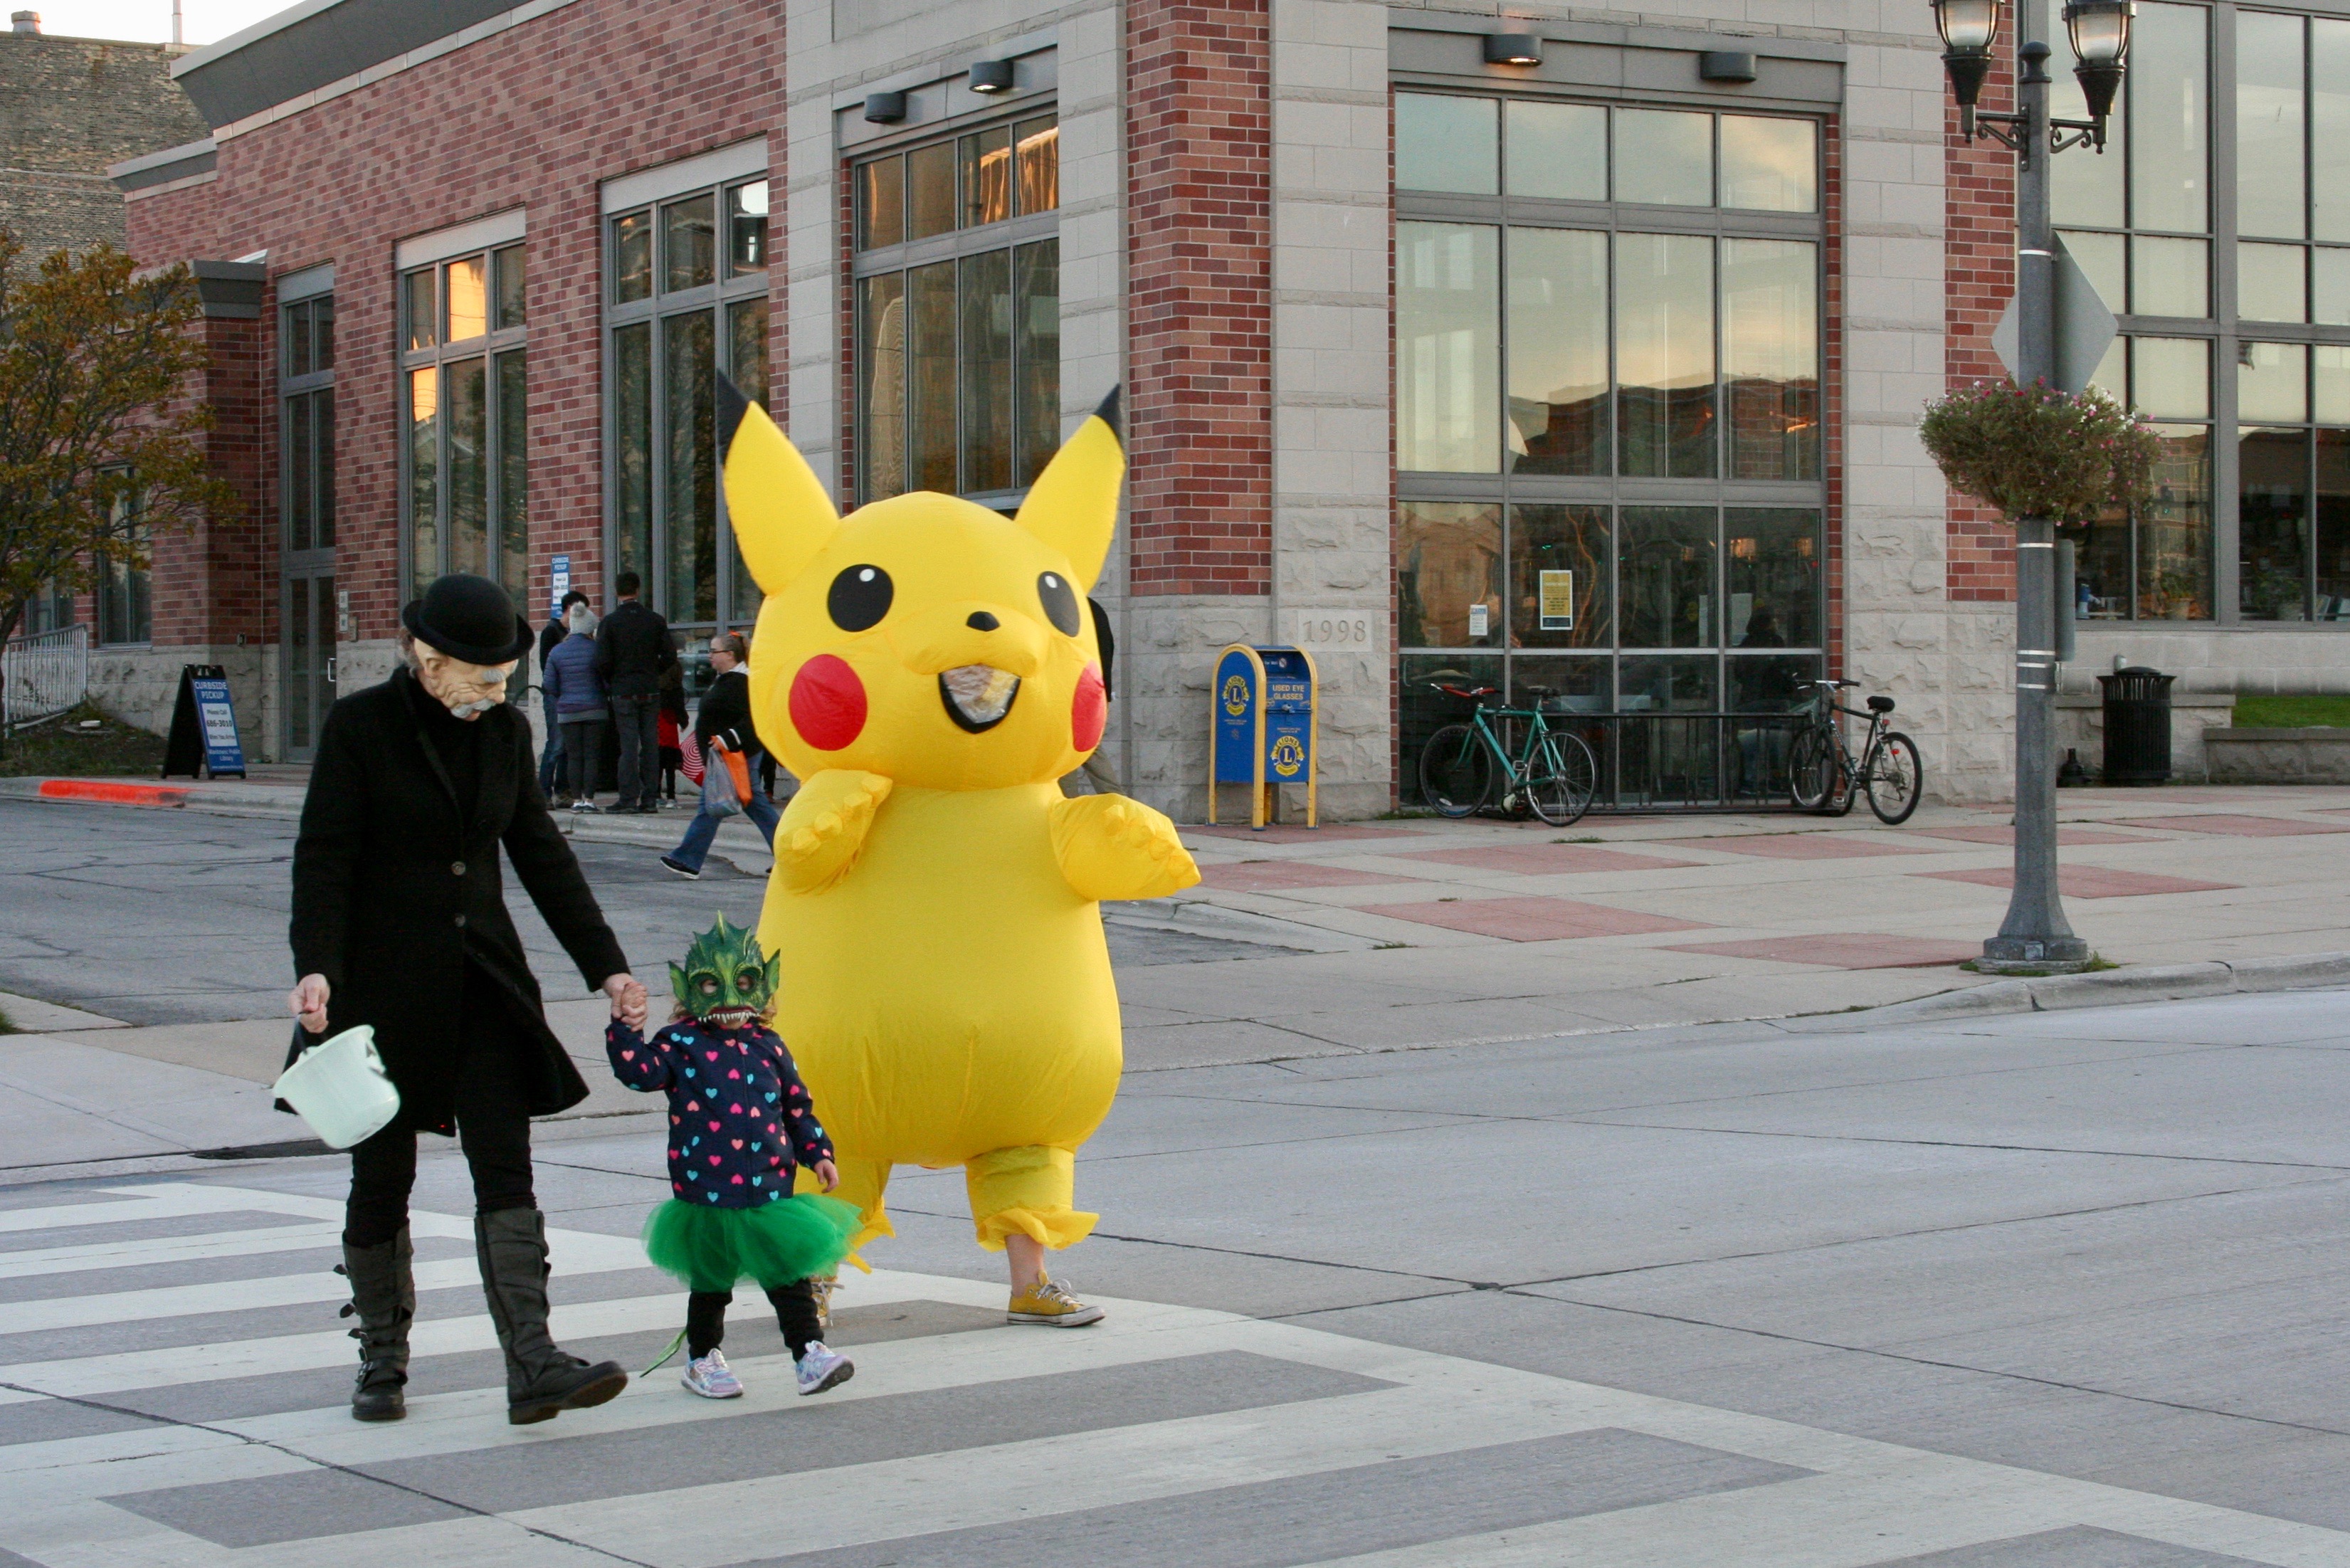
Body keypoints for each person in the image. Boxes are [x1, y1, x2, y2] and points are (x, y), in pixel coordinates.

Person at [286, 572, 651, 1426]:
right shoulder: (361, 727)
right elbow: (324, 857)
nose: (495, 693)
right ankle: (382, 1360)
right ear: (426, 657)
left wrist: (609, 968)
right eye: (481, 678)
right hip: (377, 992)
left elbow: (542, 854)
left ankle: (533, 1363)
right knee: (382, 1175)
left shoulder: (504, 734)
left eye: (504, 678)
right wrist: (316, 966)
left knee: (506, 1167)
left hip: (483, 984)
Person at [606, 916, 860, 1398]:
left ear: (764, 986)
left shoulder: (769, 1044)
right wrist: (625, 1029)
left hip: (769, 1187)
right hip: (708, 1190)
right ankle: (702, 1359)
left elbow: (796, 1106)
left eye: (744, 983)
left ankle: (810, 1353)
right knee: (711, 1285)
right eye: (711, 984)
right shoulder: (680, 1043)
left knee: (788, 1276)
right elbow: (640, 1072)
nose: (729, 996)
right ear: (688, 989)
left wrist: (818, 1152)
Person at [659, 631, 782, 879]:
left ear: (729, 654)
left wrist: (728, 738)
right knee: (751, 804)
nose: (710, 656)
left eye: (714, 651)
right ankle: (789, 856)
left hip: (736, 754)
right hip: (729, 754)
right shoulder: (728, 679)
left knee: (711, 807)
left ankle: (687, 859)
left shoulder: (741, 682)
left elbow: (756, 719)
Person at [595, 569, 677, 815]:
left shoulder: (609, 623)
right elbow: (670, 656)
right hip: (650, 689)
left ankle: (628, 798)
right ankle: (650, 798)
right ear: (638, 590)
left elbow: (602, 661)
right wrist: (654, 671)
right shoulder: (655, 620)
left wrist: (614, 679)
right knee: (651, 744)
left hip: (623, 690)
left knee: (629, 747)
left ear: (616, 592)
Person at [544, 601, 607, 811]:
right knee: (591, 756)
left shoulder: (557, 651)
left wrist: (565, 696)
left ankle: (577, 799)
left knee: (573, 756)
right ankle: (589, 800)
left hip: (567, 711)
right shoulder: (597, 650)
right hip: (595, 710)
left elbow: (549, 685)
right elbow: (607, 681)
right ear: (590, 628)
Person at [537, 589, 589, 797]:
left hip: (569, 695)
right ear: (570, 608)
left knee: (568, 745)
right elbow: (546, 667)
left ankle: (563, 788)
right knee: (556, 743)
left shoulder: (575, 634)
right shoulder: (552, 631)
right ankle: (544, 791)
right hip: (555, 696)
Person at [656, 660, 689, 806]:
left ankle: (656, 795)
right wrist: (684, 722)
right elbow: (680, 709)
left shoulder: (657, 688)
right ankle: (671, 797)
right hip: (670, 732)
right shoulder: (676, 690)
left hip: (657, 730)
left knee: (656, 766)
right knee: (670, 767)